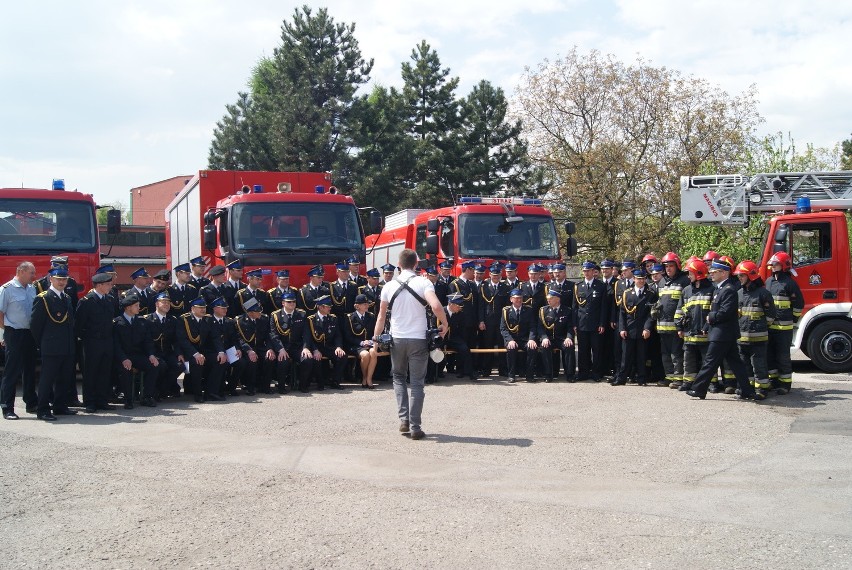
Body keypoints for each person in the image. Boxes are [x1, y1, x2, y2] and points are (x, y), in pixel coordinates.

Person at [373, 249, 447, 441]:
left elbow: (381, 316)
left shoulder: (388, 286)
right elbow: (436, 307)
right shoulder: (424, 282)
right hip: (418, 340)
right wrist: (445, 324)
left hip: (397, 339)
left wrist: (375, 338)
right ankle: (415, 427)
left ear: (399, 264)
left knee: (398, 378)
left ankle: (403, 419)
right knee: (417, 383)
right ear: (416, 264)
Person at [686, 259, 756, 400]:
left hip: (722, 334)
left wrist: (710, 318)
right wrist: (706, 327)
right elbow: (716, 309)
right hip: (722, 333)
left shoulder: (729, 290)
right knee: (736, 364)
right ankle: (747, 391)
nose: (711, 274)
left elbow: (725, 312)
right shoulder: (719, 289)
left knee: (710, 362)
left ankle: (699, 389)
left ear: (723, 273)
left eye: (714, 272)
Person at [30, 266, 78, 421]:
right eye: (59, 280)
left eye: (64, 279)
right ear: (51, 279)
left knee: (64, 378)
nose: (62, 282)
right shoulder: (43, 298)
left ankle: (60, 406)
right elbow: (36, 325)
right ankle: (43, 410)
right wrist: (43, 343)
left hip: (67, 346)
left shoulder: (67, 298)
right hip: (51, 347)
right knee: (47, 379)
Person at [75, 271, 118, 413]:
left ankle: (102, 400)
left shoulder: (109, 299)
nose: (110, 287)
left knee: (104, 372)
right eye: (108, 284)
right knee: (91, 372)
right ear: (99, 285)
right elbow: (79, 324)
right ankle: (90, 402)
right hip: (92, 342)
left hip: (107, 341)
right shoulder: (87, 301)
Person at [0, 261, 38, 419]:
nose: (33, 276)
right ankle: (7, 407)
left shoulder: (32, 288)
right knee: (12, 371)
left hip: (29, 333)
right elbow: (0, 313)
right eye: (31, 272)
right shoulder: (6, 289)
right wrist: (5, 333)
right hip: (13, 333)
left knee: (30, 369)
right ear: (21, 271)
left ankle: (31, 402)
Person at [113, 295, 164, 409]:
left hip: (138, 355)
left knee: (154, 365)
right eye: (136, 306)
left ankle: (147, 396)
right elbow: (116, 345)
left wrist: (151, 354)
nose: (139, 308)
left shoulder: (142, 321)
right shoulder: (117, 323)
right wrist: (123, 358)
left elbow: (148, 341)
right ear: (128, 308)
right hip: (123, 356)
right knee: (125, 369)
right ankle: (128, 399)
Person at [734, 260, 775, 401]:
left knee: (759, 365)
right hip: (742, 339)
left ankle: (762, 389)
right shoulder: (738, 293)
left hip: (759, 338)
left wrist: (761, 328)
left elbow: (771, 315)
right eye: (738, 276)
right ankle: (747, 388)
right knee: (744, 365)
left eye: (742, 276)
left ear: (751, 276)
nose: (739, 278)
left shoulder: (763, 293)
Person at [765, 251, 804, 395]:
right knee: (770, 355)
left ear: (783, 265)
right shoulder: (769, 282)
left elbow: (798, 304)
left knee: (782, 356)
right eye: (772, 264)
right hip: (770, 326)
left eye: (775, 264)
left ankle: (785, 384)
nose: (773, 266)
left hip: (784, 326)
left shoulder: (790, 283)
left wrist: (793, 318)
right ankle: (774, 381)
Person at [673, 258, 714, 392]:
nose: (688, 276)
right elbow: (679, 310)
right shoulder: (686, 291)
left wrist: (708, 327)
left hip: (705, 332)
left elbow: (714, 311)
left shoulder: (711, 289)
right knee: (688, 360)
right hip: (689, 332)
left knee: (707, 360)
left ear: (698, 273)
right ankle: (688, 382)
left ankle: (710, 382)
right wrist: (679, 327)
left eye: (690, 273)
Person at [175, 297, 226, 402]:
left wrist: (221, 352)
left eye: (204, 307)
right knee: (197, 362)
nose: (203, 310)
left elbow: (215, 337)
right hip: (188, 352)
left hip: (204, 351)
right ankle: (197, 394)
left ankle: (211, 392)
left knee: (220, 361)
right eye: (200, 308)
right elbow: (182, 340)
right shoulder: (184, 319)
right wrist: (195, 354)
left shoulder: (208, 319)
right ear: (193, 308)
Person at [612, 268, 656, 386]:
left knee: (641, 356)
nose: (641, 281)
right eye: (638, 279)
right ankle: (621, 378)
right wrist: (622, 328)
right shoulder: (627, 293)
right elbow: (622, 313)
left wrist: (647, 328)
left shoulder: (650, 294)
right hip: (629, 329)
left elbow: (651, 315)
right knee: (625, 356)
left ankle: (641, 379)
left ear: (645, 279)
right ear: (634, 279)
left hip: (642, 330)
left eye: (643, 279)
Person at [301, 295, 346, 391]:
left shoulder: (333, 318)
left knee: (342, 356)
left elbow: (338, 335)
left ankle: (335, 381)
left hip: (328, 347)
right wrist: (315, 350)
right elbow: (308, 337)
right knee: (316, 358)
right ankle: (320, 383)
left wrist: (338, 347)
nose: (330, 308)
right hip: (316, 346)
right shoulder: (311, 319)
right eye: (328, 306)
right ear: (320, 307)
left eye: (330, 306)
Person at [144, 292, 184, 399]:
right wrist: (151, 354)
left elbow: (176, 340)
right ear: (157, 304)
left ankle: (163, 390)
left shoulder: (172, 320)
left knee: (179, 366)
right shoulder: (148, 320)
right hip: (154, 352)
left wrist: (179, 353)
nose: (167, 305)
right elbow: (147, 341)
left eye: (168, 303)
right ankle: (156, 390)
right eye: (164, 302)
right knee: (162, 366)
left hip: (167, 352)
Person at [573, 260, 607, 382]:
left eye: (588, 271)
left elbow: (603, 307)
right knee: (583, 350)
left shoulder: (601, 286)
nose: (586, 273)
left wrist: (602, 323)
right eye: (584, 271)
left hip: (595, 323)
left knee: (596, 350)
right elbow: (575, 307)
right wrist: (574, 324)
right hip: (582, 323)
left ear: (593, 272)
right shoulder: (578, 286)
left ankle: (596, 373)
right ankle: (583, 372)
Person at [268, 291, 308, 393]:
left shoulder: (301, 314)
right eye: (289, 302)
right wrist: (280, 349)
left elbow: (306, 334)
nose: (292, 304)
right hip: (282, 347)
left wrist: (305, 348)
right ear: (283, 303)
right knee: (283, 360)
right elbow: (273, 335)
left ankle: (303, 385)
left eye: (294, 302)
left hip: (296, 347)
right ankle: (281, 386)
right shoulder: (275, 315)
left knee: (307, 359)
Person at [536, 288, 574, 383]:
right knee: (545, 347)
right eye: (548, 298)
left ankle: (570, 374)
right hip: (549, 338)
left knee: (569, 347)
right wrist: (544, 338)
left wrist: (569, 337)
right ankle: (548, 374)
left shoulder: (567, 310)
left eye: (551, 298)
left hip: (561, 338)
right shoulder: (543, 310)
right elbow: (540, 327)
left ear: (557, 299)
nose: (548, 300)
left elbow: (570, 327)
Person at [500, 289, 537, 383]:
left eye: (520, 298)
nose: (519, 300)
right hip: (512, 339)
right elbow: (503, 329)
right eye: (516, 298)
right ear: (511, 299)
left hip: (524, 339)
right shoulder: (506, 311)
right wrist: (509, 340)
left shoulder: (528, 310)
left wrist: (531, 339)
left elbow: (532, 327)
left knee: (532, 348)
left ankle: (529, 375)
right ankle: (511, 375)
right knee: (511, 349)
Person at [344, 294, 379, 388]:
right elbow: (347, 336)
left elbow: (374, 332)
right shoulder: (350, 317)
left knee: (373, 352)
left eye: (367, 304)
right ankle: (364, 377)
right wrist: (361, 343)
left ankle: (369, 378)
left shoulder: (371, 316)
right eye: (364, 304)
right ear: (357, 305)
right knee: (365, 354)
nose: (367, 306)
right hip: (355, 345)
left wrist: (371, 341)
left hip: (369, 343)